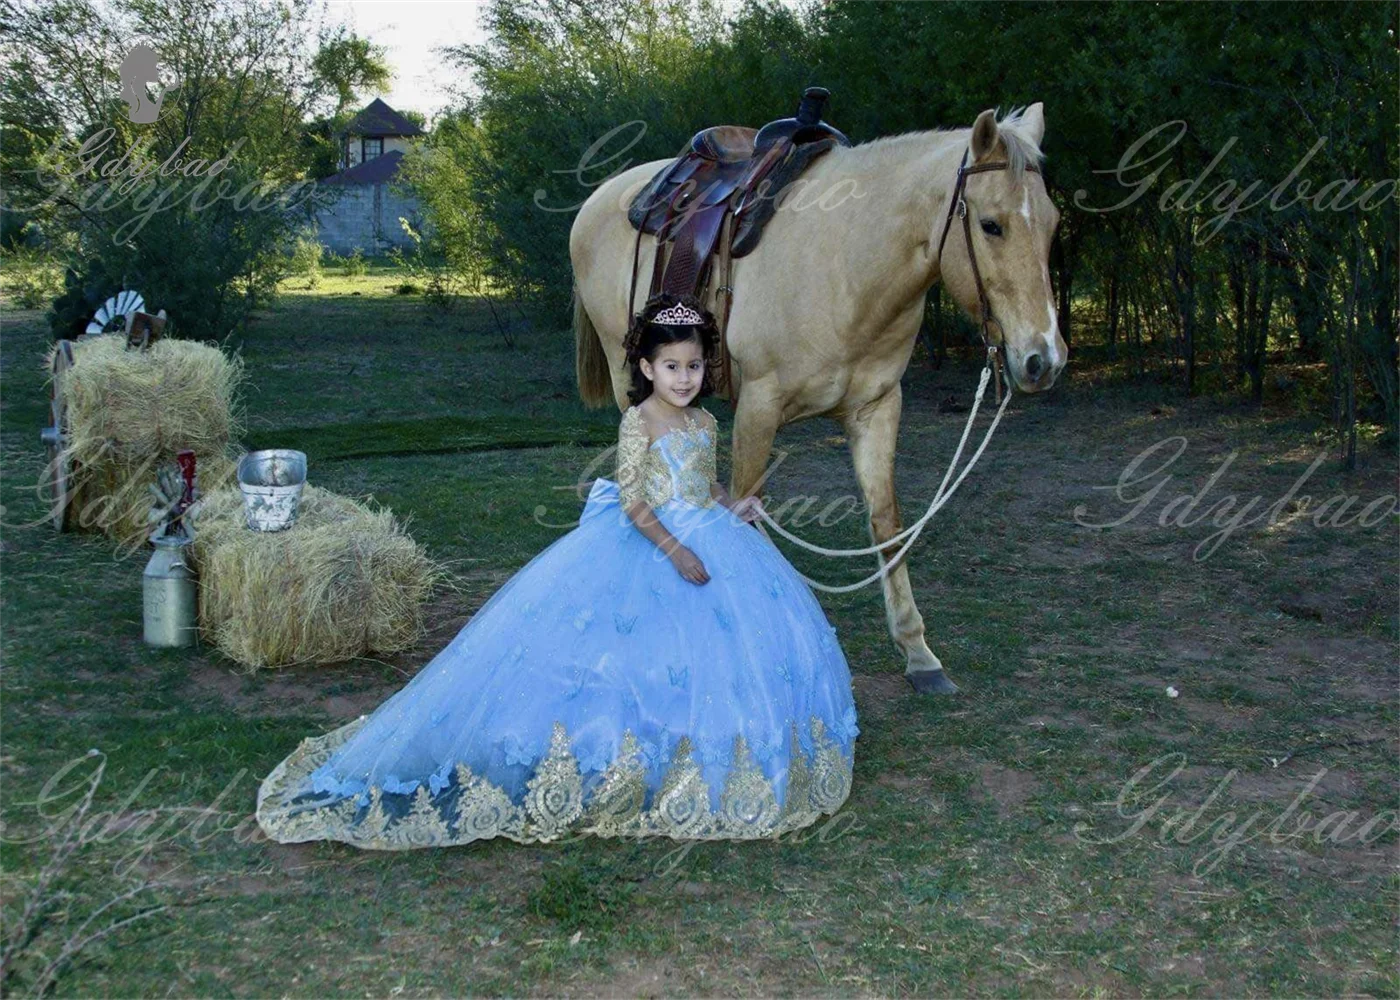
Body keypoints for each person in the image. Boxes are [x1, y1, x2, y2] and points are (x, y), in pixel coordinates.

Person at [256, 292, 860, 850]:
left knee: (726, 652)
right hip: (653, 542)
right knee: (627, 649)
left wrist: (734, 505)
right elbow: (634, 502)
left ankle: (706, 756)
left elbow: (705, 482)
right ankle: (621, 757)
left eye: (695, 366)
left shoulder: (704, 423)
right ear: (647, 369)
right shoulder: (639, 422)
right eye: (672, 366)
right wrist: (675, 550)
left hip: (710, 534)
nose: (685, 378)